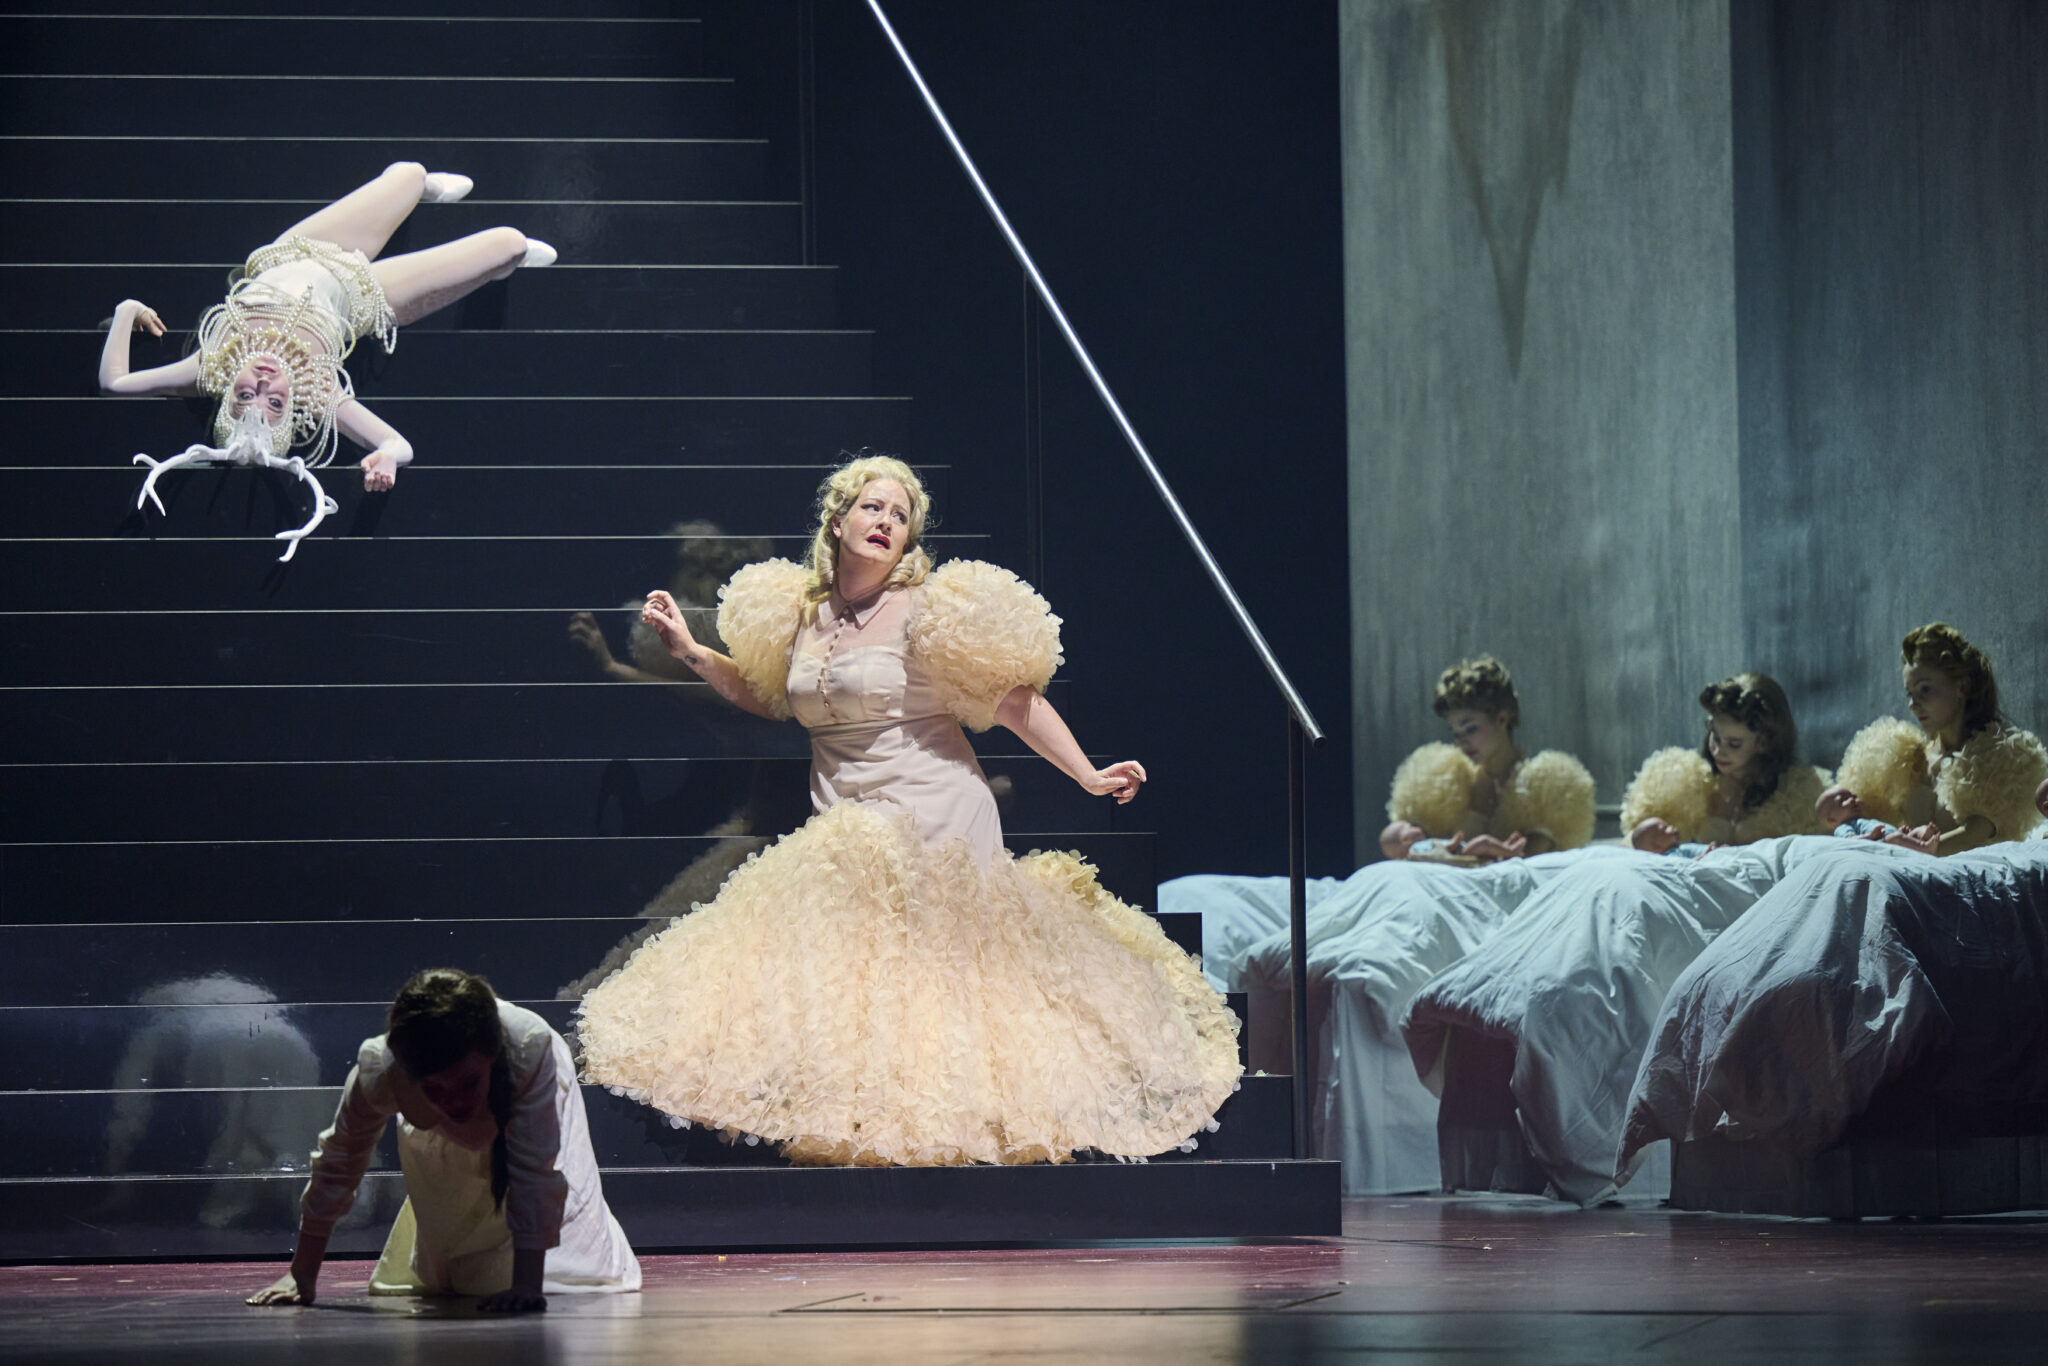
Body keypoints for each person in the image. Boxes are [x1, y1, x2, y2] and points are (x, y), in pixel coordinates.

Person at [574, 454, 1241, 1165]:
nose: (886, 522)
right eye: (873, 508)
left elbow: (1015, 700)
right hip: (846, 813)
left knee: (864, 880)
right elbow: (766, 693)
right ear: (837, 521)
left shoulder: (929, 611)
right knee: (821, 921)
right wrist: (690, 650)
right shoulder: (798, 611)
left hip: (932, 808)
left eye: (900, 515)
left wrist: (1086, 774)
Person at [97, 162, 555, 554]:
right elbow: (396, 443)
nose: (263, 381)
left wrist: (126, 311)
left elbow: (114, 383)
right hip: (363, 290)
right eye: (273, 403)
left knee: (410, 173)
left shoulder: (210, 366)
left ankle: (422, 191)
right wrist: (388, 459)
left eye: (244, 396)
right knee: (510, 243)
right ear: (290, 412)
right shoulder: (315, 389)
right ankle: (499, 264)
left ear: (225, 396)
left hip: (295, 250)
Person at [247, 969, 639, 1313]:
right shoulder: (382, 1071)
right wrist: (301, 1275)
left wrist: (525, 1288)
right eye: (435, 1089)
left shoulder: (528, 1052)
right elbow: (339, 1161)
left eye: (468, 1083)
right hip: (440, 1144)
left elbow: (534, 1171)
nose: (454, 1100)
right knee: (458, 1271)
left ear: (488, 1057)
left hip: (525, 1114)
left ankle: (532, 1267)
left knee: (552, 1266)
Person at [1817, 623, 2047, 853]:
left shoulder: (1999, 757)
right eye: (1910, 693)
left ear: (1962, 686)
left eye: (1925, 689)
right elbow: (1850, 823)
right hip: (1904, 876)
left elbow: (1972, 835)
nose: (1912, 704)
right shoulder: (1903, 759)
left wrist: (1902, 855)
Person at [1378, 656, 1596, 863]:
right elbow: (1402, 847)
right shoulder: (1445, 786)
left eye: (1470, 728)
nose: (1462, 742)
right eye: (1455, 733)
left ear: (1502, 718)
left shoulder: (1543, 792)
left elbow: (1528, 866)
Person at [1622, 672, 1830, 852]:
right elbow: (1633, 847)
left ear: (1765, 742)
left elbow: (1820, 857)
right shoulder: (1685, 783)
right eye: (1715, 736)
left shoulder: (1800, 794)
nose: (1718, 751)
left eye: (1734, 744)